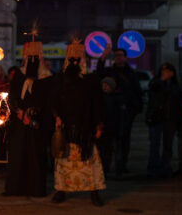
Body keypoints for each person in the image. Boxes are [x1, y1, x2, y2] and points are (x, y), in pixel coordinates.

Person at [51, 42, 105, 207]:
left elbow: (98, 103)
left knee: (89, 161)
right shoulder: (60, 78)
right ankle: (61, 190)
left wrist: (98, 126)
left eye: (78, 59)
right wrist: (56, 117)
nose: (75, 62)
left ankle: (94, 192)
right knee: (63, 161)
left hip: (85, 126)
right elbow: (53, 100)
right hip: (66, 126)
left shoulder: (91, 79)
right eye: (71, 59)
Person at [3, 41, 52, 197]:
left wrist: (31, 115)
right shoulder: (18, 76)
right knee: (18, 156)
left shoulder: (47, 79)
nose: (31, 61)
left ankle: (36, 189)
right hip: (19, 124)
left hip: (36, 125)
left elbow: (47, 101)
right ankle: (15, 188)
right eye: (28, 57)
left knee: (35, 157)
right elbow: (12, 97)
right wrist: (19, 112)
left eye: (34, 57)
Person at [97, 47, 143, 176]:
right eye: (116, 55)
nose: (118, 57)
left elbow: (137, 92)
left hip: (125, 112)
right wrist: (103, 57)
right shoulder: (109, 71)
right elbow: (98, 74)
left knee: (123, 141)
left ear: (125, 57)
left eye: (121, 55)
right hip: (110, 112)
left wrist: (134, 110)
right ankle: (106, 166)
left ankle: (121, 165)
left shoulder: (131, 73)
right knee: (107, 142)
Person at [145, 63, 182, 178]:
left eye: (168, 71)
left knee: (168, 145)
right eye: (163, 70)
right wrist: (161, 80)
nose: (165, 73)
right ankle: (153, 169)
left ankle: (165, 168)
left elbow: (177, 101)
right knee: (154, 145)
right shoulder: (156, 82)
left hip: (169, 119)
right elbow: (152, 89)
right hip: (156, 117)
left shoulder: (175, 86)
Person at [98, 76, 122, 174]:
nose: (105, 87)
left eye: (107, 85)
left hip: (112, 128)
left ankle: (111, 169)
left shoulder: (116, 99)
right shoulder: (100, 98)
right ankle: (104, 168)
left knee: (110, 150)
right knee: (103, 150)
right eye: (103, 85)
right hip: (102, 128)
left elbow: (119, 116)